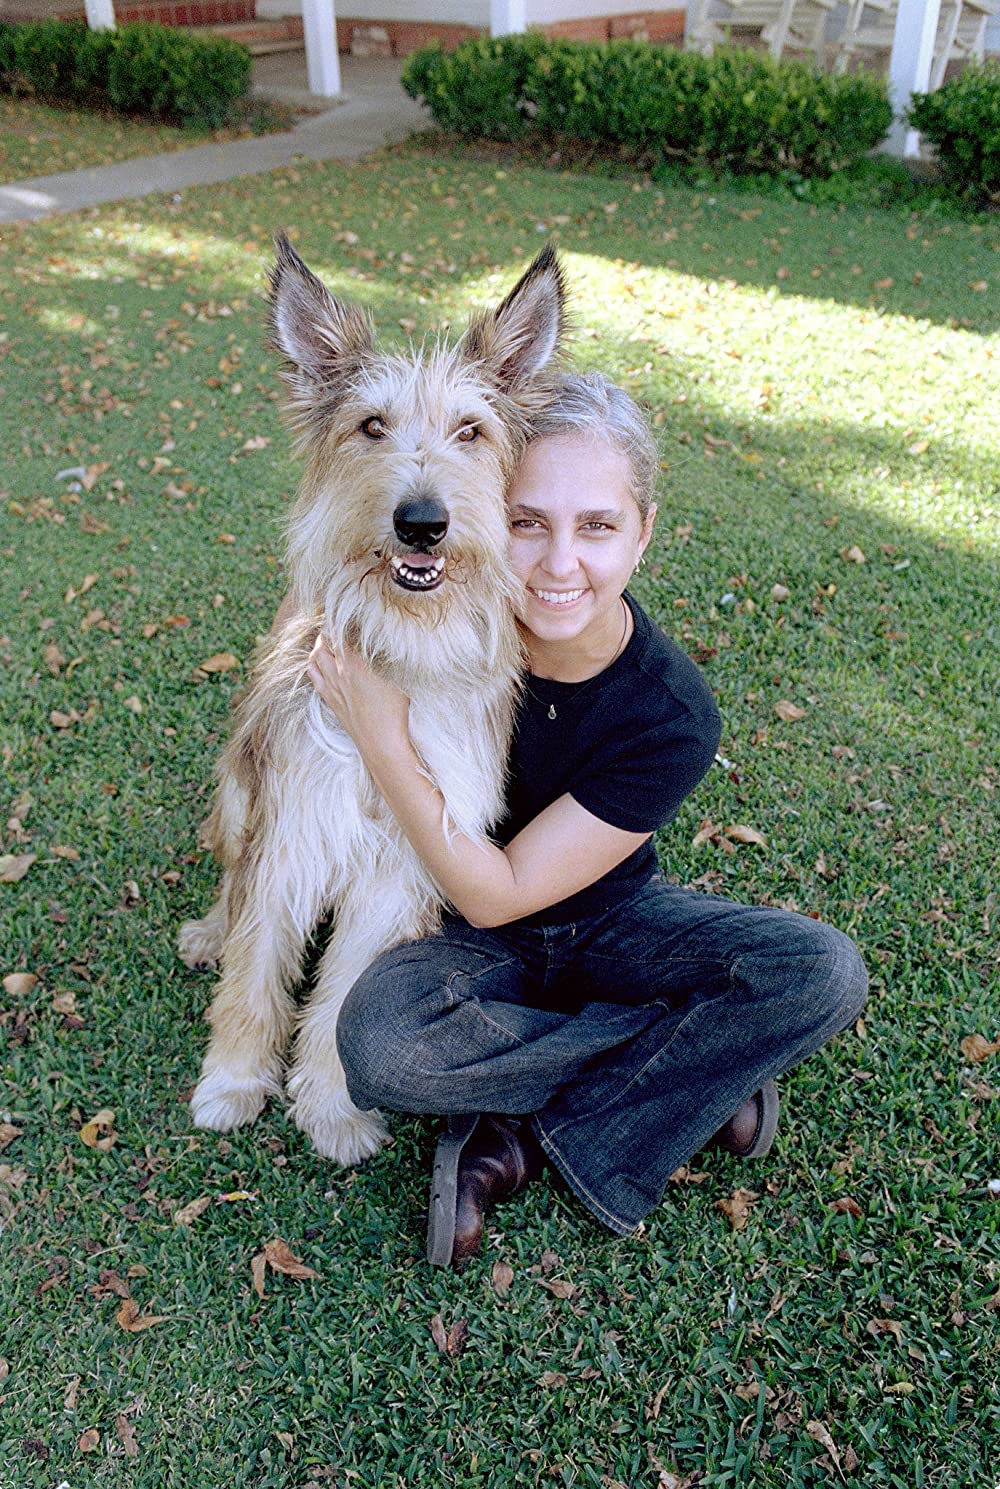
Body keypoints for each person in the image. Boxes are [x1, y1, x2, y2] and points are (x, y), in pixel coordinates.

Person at [305, 371, 868, 1269]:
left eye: (597, 526)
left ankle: (514, 1141)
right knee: (377, 1046)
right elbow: (343, 573)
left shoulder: (672, 712)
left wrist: (383, 739)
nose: (559, 563)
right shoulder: (441, 626)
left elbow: (505, 892)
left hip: (601, 917)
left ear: (642, 533)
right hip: (455, 934)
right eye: (527, 521)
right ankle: (694, 1072)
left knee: (822, 971)